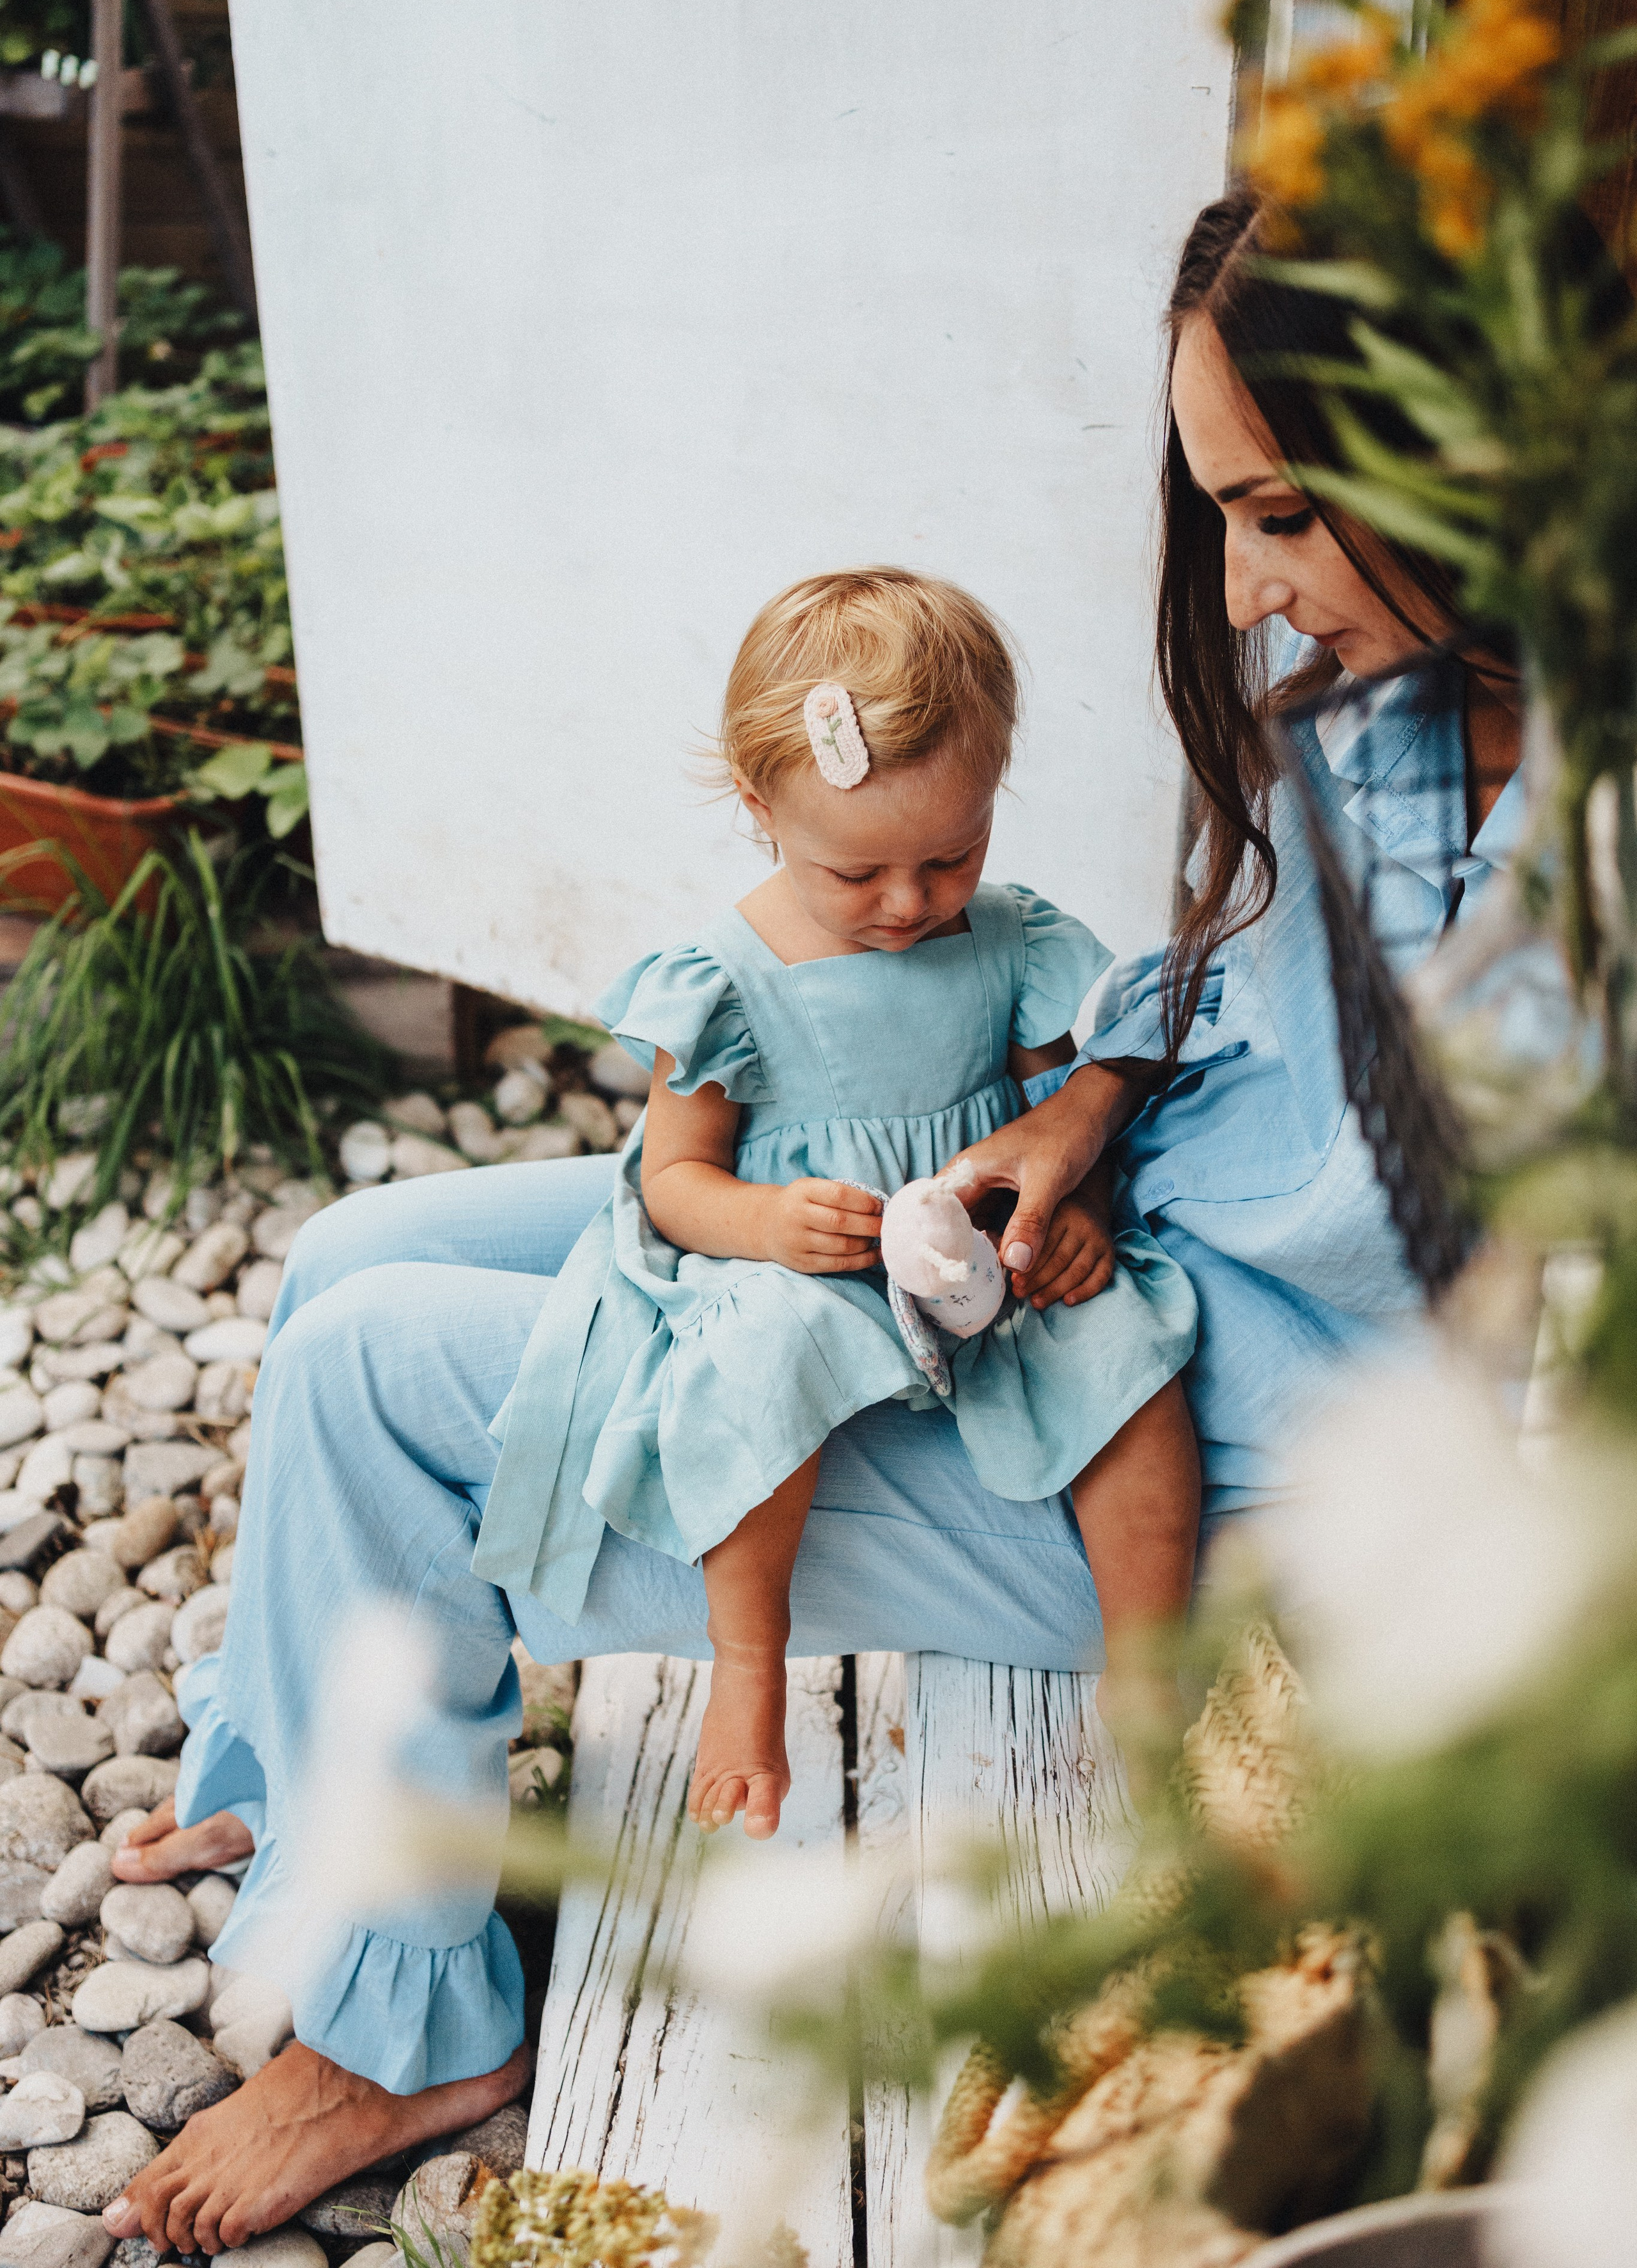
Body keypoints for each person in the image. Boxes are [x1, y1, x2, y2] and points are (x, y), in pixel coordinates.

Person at [98, 186, 1523, 2256]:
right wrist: (1097, 1107)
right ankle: (289, 1752)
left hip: (1184, 1463)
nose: (1244, 590)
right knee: (350, 1255)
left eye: (1285, 512)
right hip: (1075, 1235)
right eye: (1229, 509)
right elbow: (1233, 999)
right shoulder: (1399, 715)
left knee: (370, 1379)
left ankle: (410, 2023)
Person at [471, 568, 1199, 1839]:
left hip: (987, 1262)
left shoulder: (1014, 945)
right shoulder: (724, 980)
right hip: (812, 1276)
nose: (911, 904)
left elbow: (1056, 1118)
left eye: (950, 855)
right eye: (857, 871)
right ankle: (747, 1670)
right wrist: (763, 1226)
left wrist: (1069, 1214)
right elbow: (672, 1182)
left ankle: (1146, 1687)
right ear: (760, 812)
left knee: (1131, 1362)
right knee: (751, 1370)